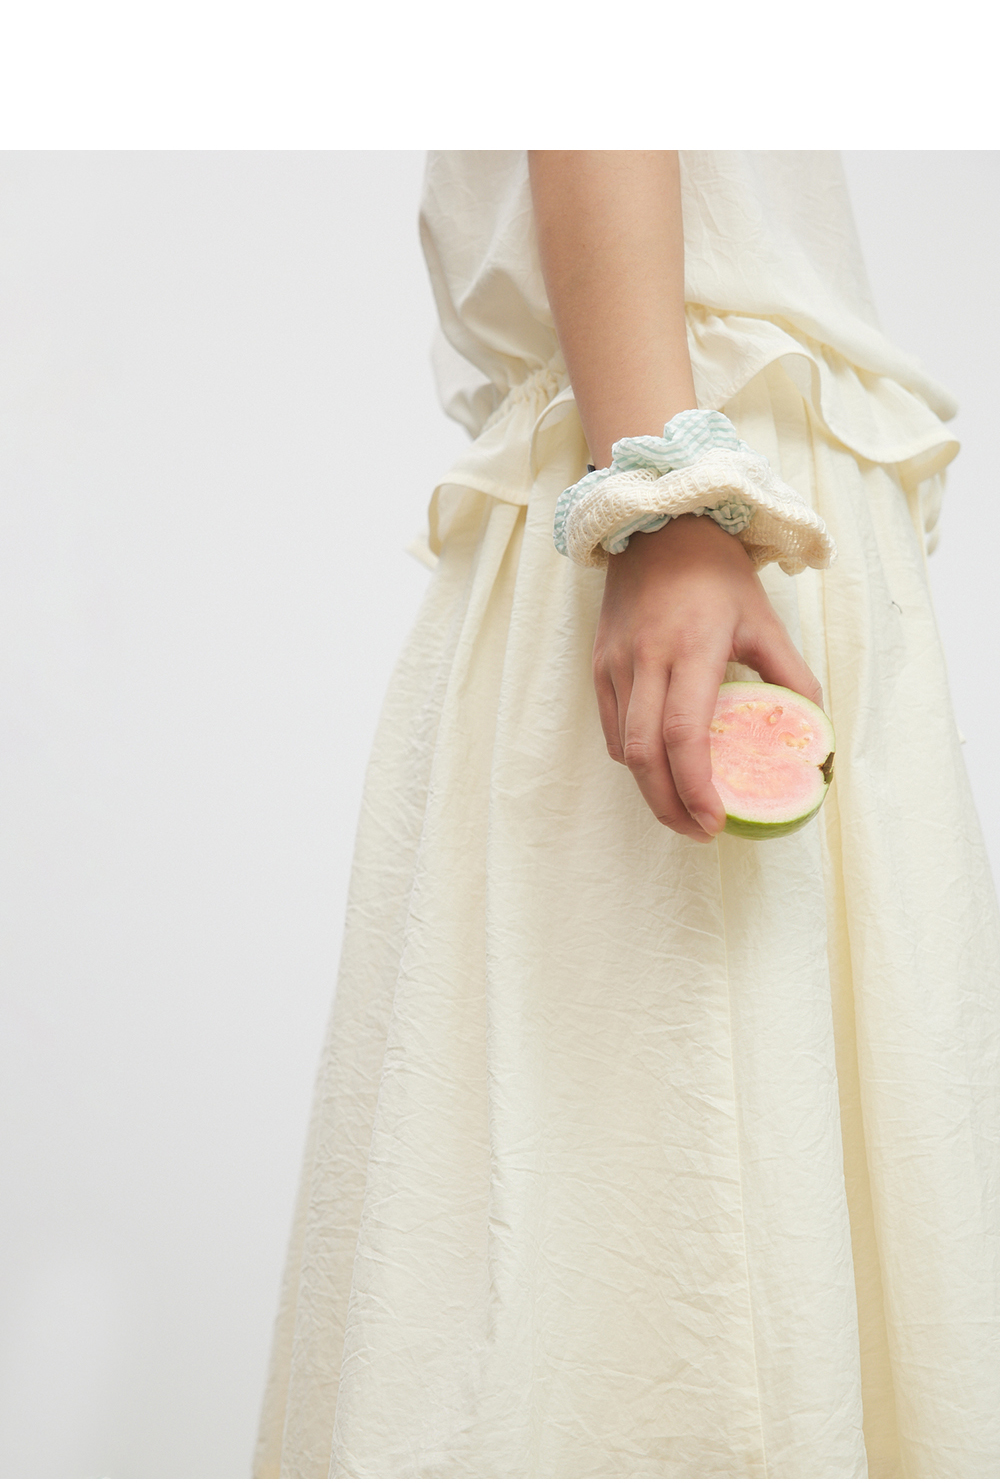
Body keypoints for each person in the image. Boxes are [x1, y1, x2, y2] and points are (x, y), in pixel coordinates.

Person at [253, 152, 1000, 1479]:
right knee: (671, 1224)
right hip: (700, 506)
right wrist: (672, 503)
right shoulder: (677, 497)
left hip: (698, 491)